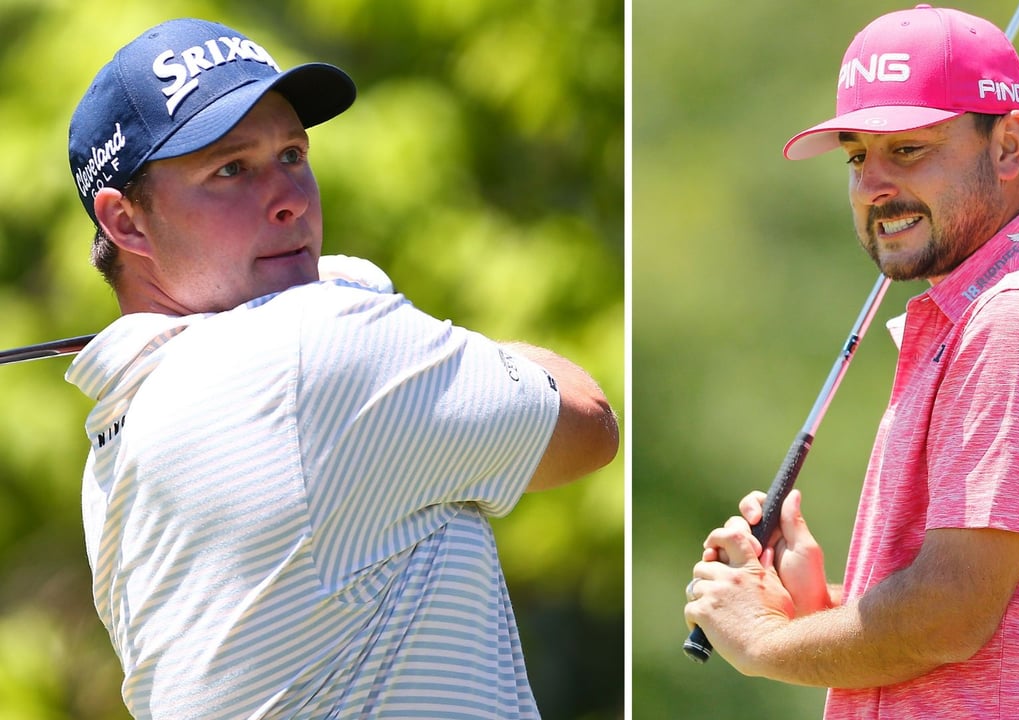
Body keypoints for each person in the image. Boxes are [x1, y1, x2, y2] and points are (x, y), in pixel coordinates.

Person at [65, 17, 618, 719]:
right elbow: (589, 423)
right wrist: (365, 302)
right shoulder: (313, 341)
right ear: (126, 222)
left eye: (292, 154)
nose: (289, 197)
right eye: (230, 170)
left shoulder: (116, 434)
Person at [683, 5, 1019, 718]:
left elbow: (951, 613)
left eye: (906, 150)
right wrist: (814, 608)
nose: (873, 183)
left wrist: (760, 640)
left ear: (1008, 145)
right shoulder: (988, 314)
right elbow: (995, 613)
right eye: (856, 156)